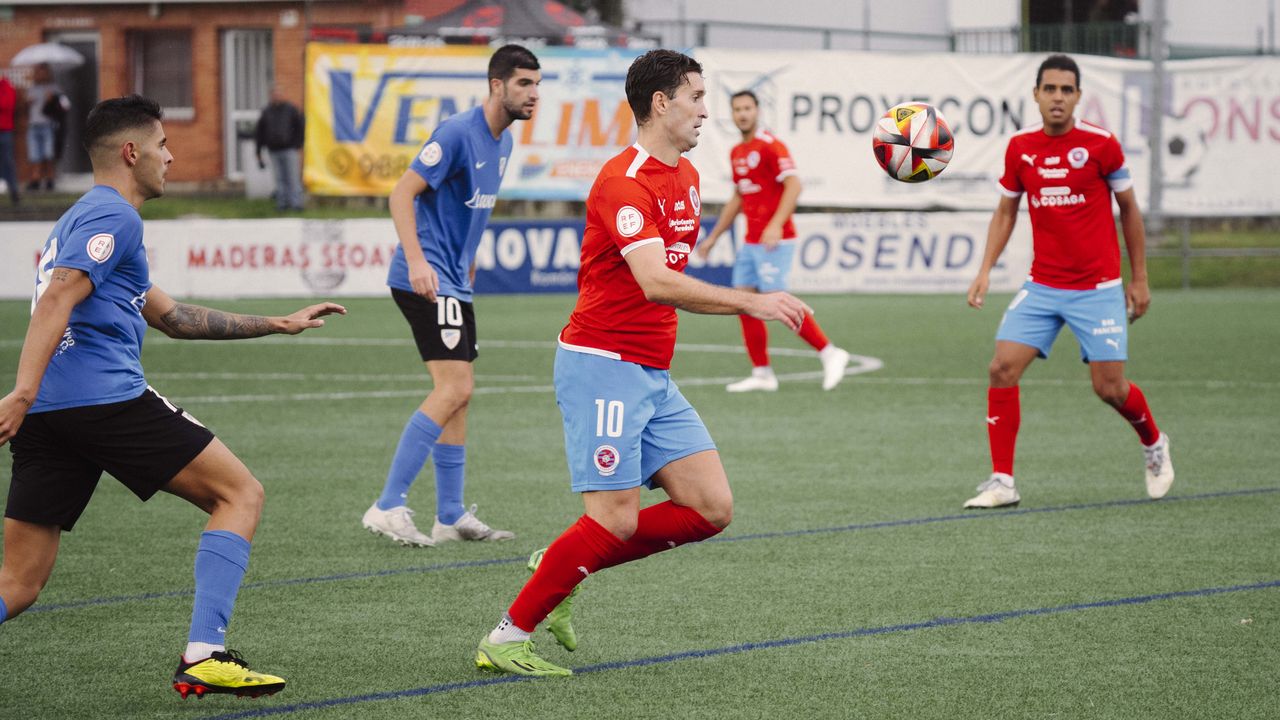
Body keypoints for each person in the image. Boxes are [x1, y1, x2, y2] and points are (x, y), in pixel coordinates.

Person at [474, 49, 812, 677]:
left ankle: (564, 561)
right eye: (696, 97)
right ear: (661, 103)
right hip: (602, 365)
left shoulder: (687, 176)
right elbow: (657, 281)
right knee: (615, 519)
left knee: (711, 507)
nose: (705, 111)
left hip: (651, 372)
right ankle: (507, 636)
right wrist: (751, 301)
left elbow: (666, 284)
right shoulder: (623, 181)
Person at [0, 95, 347, 698]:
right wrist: (20, 393)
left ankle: (203, 655)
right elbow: (58, 296)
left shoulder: (83, 218)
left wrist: (277, 322)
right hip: (101, 401)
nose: (172, 156)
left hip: (52, 416)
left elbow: (174, 317)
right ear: (131, 153)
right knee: (239, 494)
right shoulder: (116, 216)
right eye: (162, 144)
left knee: (18, 584)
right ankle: (204, 654)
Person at [963, 54, 1173, 509]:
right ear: (1036, 94)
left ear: (1078, 96)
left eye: (1066, 90)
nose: (1057, 97)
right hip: (1042, 286)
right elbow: (1006, 212)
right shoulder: (1020, 147)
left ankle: (1154, 443)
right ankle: (1003, 481)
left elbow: (1130, 210)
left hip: (1098, 288)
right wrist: (984, 270)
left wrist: (1139, 278)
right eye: (1050, 89)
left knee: (1109, 388)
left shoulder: (1101, 145)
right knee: (1001, 368)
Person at [360, 45, 541, 548]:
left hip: (454, 280)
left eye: (537, 84)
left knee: (460, 396)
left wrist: (467, 259)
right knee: (453, 389)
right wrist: (419, 261)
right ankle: (388, 505)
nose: (534, 94)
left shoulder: (503, 142)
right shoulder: (457, 133)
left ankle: (450, 514)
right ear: (496, 85)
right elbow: (402, 193)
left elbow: (468, 210)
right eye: (524, 83)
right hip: (427, 279)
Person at [696, 90, 850, 392]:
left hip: (774, 241)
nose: (742, 114)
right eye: (737, 109)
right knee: (744, 302)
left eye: (747, 108)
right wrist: (713, 237)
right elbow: (738, 197)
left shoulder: (770, 145)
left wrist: (776, 224)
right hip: (751, 241)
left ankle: (830, 352)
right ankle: (762, 373)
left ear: (757, 111)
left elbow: (794, 185)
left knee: (776, 300)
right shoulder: (737, 152)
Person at [254, 87, 305, 211]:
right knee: (279, 178)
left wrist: (298, 144)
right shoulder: (266, 112)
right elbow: (260, 132)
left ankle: (296, 204)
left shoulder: (291, 110)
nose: (276, 97)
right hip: (273, 150)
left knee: (292, 177)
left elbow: (300, 127)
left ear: (283, 96)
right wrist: (258, 151)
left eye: (278, 95)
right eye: (274, 95)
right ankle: (282, 204)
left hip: (289, 149)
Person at [25, 63, 68, 192]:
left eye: (43, 72)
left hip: (48, 125)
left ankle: (50, 179)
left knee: (49, 154)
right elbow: (25, 108)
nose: (40, 75)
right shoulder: (32, 88)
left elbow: (64, 105)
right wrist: (27, 102)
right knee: (34, 154)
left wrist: (52, 99)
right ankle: (36, 179)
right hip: (33, 125)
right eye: (38, 72)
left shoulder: (54, 88)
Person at [0, 73, 19, 205]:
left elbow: (7, 104)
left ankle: (14, 191)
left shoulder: (7, 87)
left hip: (5, 130)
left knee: (8, 161)